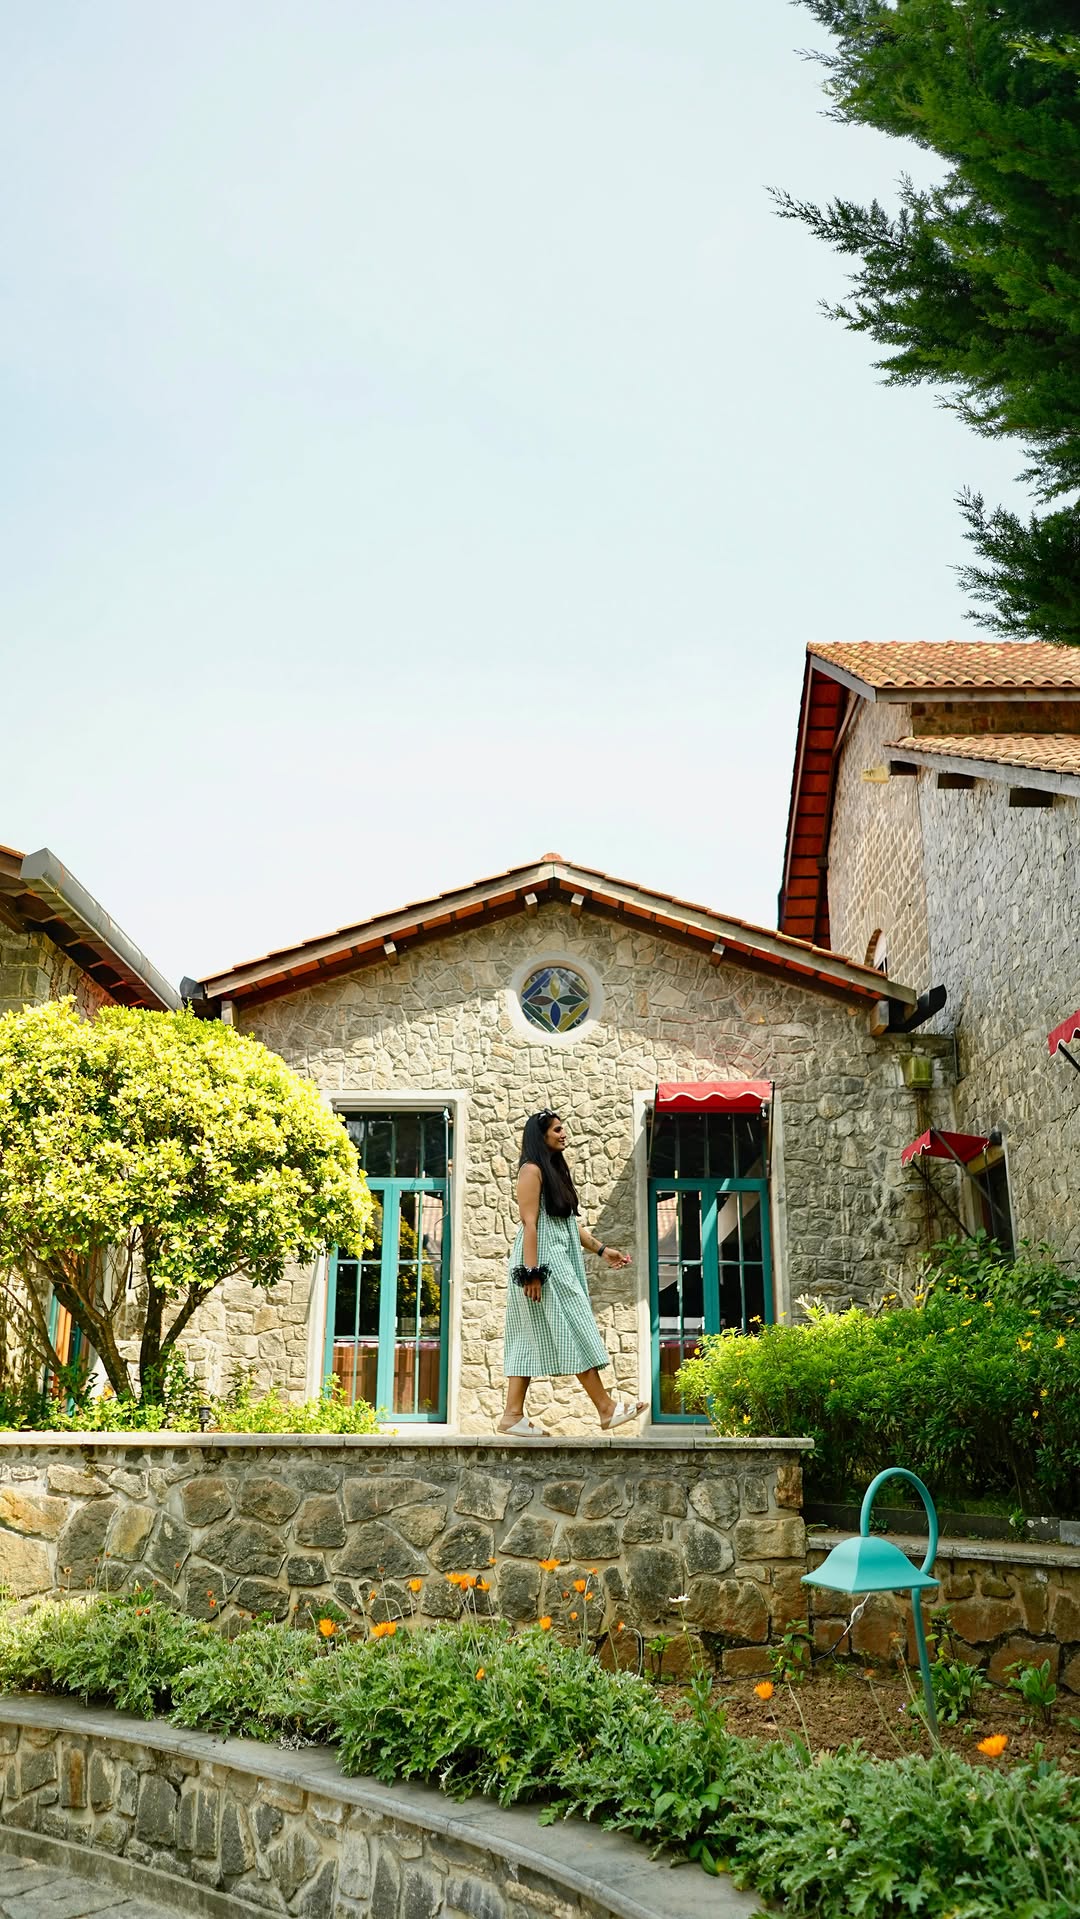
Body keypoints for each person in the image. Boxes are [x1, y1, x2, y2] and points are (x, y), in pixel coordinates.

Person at [499, 1109, 647, 1437]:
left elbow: (565, 1223)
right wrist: (532, 1273)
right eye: (557, 1130)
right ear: (541, 1136)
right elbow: (530, 1224)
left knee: (528, 1334)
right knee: (575, 1325)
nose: (564, 1134)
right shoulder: (531, 1170)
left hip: (556, 1260)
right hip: (543, 1264)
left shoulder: (551, 1170)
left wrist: (602, 1250)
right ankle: (605, 1408)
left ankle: (512, 1415)